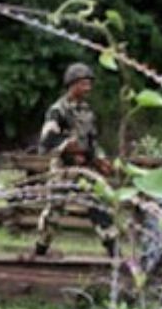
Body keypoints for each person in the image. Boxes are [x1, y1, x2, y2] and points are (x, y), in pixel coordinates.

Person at [35, 62, 118, 257]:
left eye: (89, 83)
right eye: (83, 83)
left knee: (98, 206)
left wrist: (101, 160)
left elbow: (92, 141)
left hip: (85, 169)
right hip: (64, 169)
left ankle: (114, 251)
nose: (88, 87)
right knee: (54, 211)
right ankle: (40, 250)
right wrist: (68, 147)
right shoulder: (58, 110)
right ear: (72, 84)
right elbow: (47, 139)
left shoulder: (87, 111)